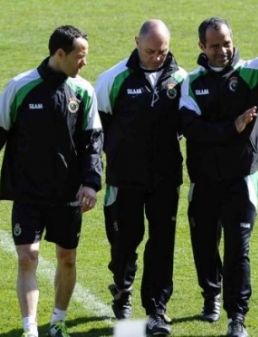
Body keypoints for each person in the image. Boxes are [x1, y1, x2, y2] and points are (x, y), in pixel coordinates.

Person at [0, 25, 103, 337]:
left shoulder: (83, 91)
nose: (84, 62)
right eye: (80, 56)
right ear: (59, 54)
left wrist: (91, 182)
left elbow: (93, 142)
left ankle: (57, 321)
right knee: (28, 258)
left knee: (66, 259)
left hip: (68, 193)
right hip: (27, 191)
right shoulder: (20, 86)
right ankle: (30, 329)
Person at [179, 1, 258, 336]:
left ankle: (237, 318)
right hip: (202, 182)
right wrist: (230, 128)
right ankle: (210, 294)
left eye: (227, 42)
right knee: (203, 244)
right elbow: (192, 129)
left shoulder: (250, 74)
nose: (222, 50)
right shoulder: (191, 84)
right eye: (215, 45)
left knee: (238, 249)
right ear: (202, 47)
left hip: (241, 181)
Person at [94, 19, 187, 336]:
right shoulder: (112, 79)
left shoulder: (180, 79)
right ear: (136, 42)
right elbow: (95, 132)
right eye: (150, 51)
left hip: (165, 180)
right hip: (124, 180)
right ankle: (121, 290)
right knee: (124, 242)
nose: (157, 57)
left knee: (162, 245)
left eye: (162, 51)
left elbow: (192, 126)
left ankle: (157, 310)